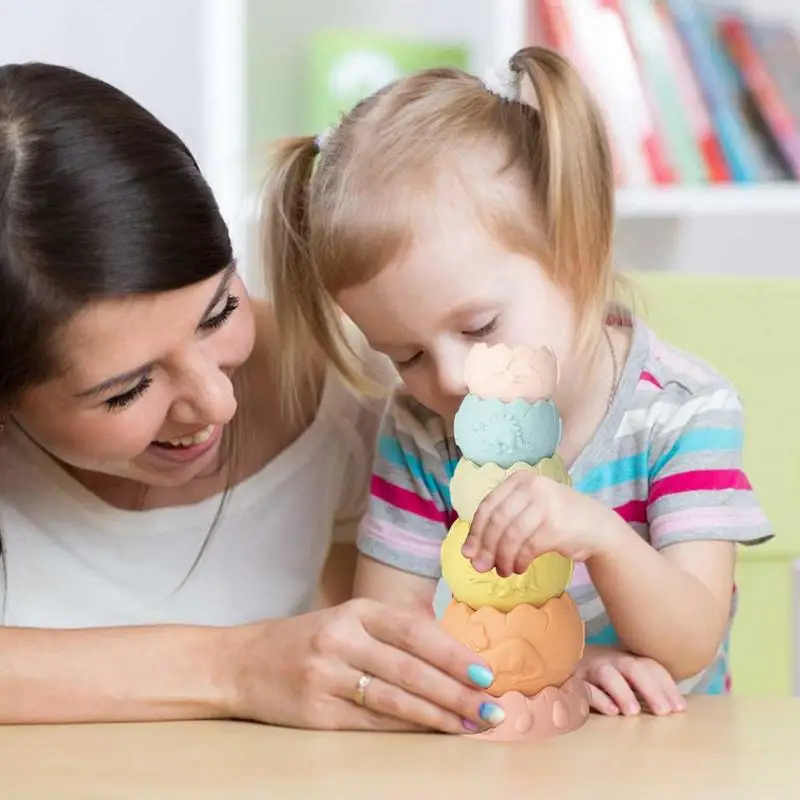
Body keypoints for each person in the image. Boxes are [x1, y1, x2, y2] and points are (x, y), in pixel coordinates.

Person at [262, 45, 774, 718]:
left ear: (578, 250)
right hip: (496, 741)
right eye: (405, 355)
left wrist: (601, 535)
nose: (448, 378)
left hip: (662, 754)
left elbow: (690, 644)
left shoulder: (680, 412)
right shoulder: (421, 433)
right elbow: (393, 637)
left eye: (478, 328)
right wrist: (566, 664)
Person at [0, 62, 507, 735]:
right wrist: (234, 666)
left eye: (218, 312)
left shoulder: (366, 378)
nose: (215, 402)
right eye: (129, 389)